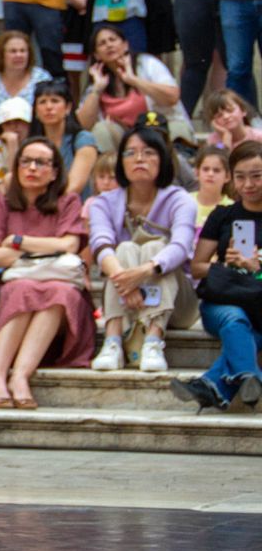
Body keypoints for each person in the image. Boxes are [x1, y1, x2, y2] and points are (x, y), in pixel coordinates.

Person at [0, 137, 94, 408]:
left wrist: (18, 242)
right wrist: (47, 251)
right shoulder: (2, 201)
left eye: (41, 163)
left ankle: (20, 376)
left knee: (59, 291)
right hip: (11, 292)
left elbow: (70, 245)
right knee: (24, 287)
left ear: (54, 172)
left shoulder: (68, 201)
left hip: (61, 302)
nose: (32, 168)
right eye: (26, 161)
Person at [88, 124, 199, 373]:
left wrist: (144, 272)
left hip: (177, 304)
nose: (139, 159)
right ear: (121, 162)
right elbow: (100, 243)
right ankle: (113, 341)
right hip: (126, 299)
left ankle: (153, 341)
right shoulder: (103, 203)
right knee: (124, 248)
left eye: (148, 152)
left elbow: (181, 245)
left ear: (162, 160)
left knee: (156, 248)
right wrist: (125, 280)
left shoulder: (180, 199)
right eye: (131, 152)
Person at [174, 141, 262, 408]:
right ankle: (251, 376)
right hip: (223, 299)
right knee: (234, 319)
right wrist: (226, 265)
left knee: (245, 327)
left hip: (259, 304)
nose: (248, 184)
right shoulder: (222, 215)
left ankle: (209, 387)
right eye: (240, 177)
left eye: (256, 176)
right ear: (231, 178)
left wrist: (255, 267)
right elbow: (197, 266)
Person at [77, 23, 190, 152]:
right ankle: (110, 166)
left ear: (125, 45)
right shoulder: (98, 79)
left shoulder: (147, 64)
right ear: (96, 55)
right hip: (123, 143)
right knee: (101, 130)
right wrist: (96, 91)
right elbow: (83, 125)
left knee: (178, 128)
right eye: (102, 43)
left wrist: (134, 80)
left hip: (157, 129)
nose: (109, 45)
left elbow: (172, 97)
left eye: (112, 40)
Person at [29, 79, 99, 197]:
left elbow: (74, 186)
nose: (49, 107)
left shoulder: (83, 139)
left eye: (55, 101)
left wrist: (46, 204)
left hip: (73, 205)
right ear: (36, 111)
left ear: (68, 108)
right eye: (42, 102)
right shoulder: (32, 144)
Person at [0, 30, 52, 121]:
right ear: (1, 55)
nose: (19, 55)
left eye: (23, 51)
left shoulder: (41, 78)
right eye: (13, 51)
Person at [188, 144, 230, 226]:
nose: (210, 174)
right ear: (197, 173)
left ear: (227, 176)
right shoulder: (185, 201)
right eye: (205, 169)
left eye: (216, 170)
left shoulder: (230, 208)